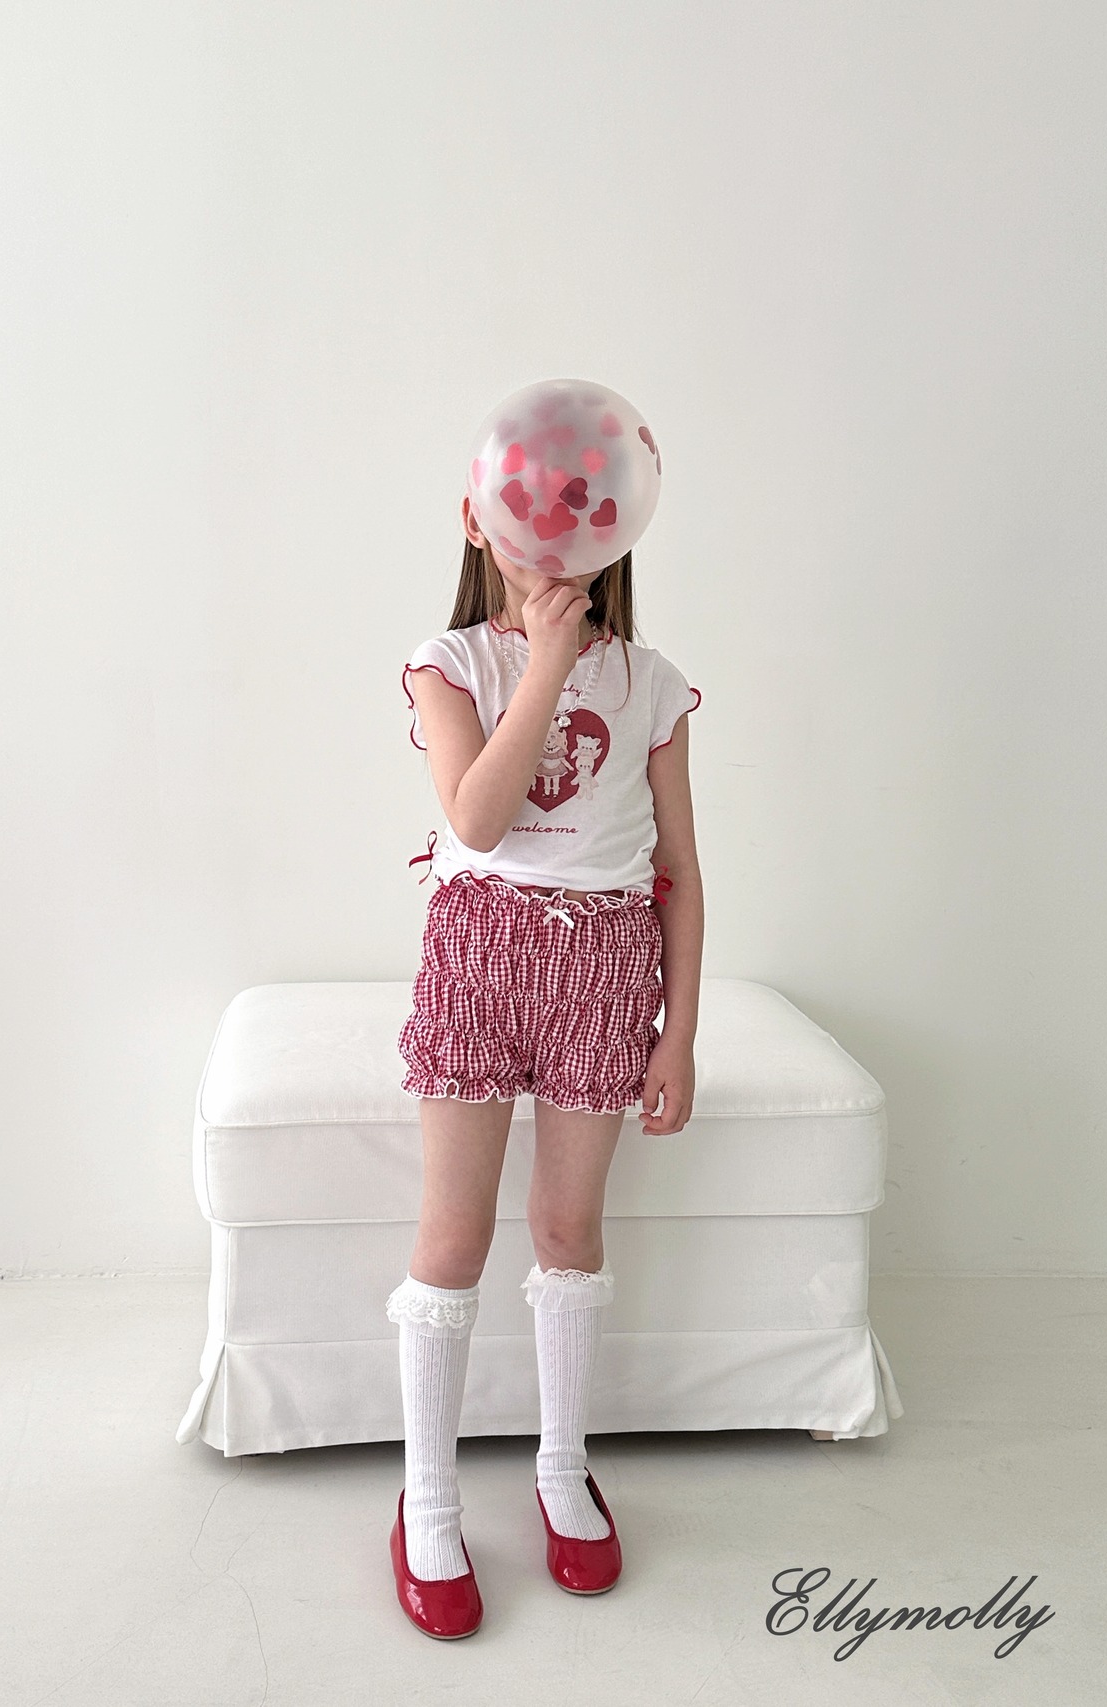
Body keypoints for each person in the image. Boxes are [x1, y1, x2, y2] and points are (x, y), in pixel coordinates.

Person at [386, 495, 704, 1639]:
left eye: (581, 521)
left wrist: (676, 1032)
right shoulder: (452, 665)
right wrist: (547, 661)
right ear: (480, 523)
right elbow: (476, 821)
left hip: (605, 964)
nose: (552, 547)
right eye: (529, 517)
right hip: (479, 954)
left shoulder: (651, 683)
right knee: (453, 1237)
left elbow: (678, 868)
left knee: (569, 1229)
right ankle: (428, 1500)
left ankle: (561, 1465)